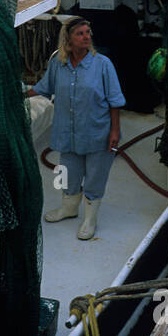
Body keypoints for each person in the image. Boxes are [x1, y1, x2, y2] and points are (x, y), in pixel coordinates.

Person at [26, 18, 125, 241]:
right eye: (80, 33)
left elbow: (115, 101)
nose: (87, 37)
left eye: (88, 32)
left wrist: (115, 131)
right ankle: (69, 208)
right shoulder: (57, 65)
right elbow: (43, 88)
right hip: (66, 133)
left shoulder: (103, 65)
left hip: (97, 133)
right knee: (67, 174)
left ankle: (90, 219)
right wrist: (19, 93)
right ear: (68, 38)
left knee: (94, 177)